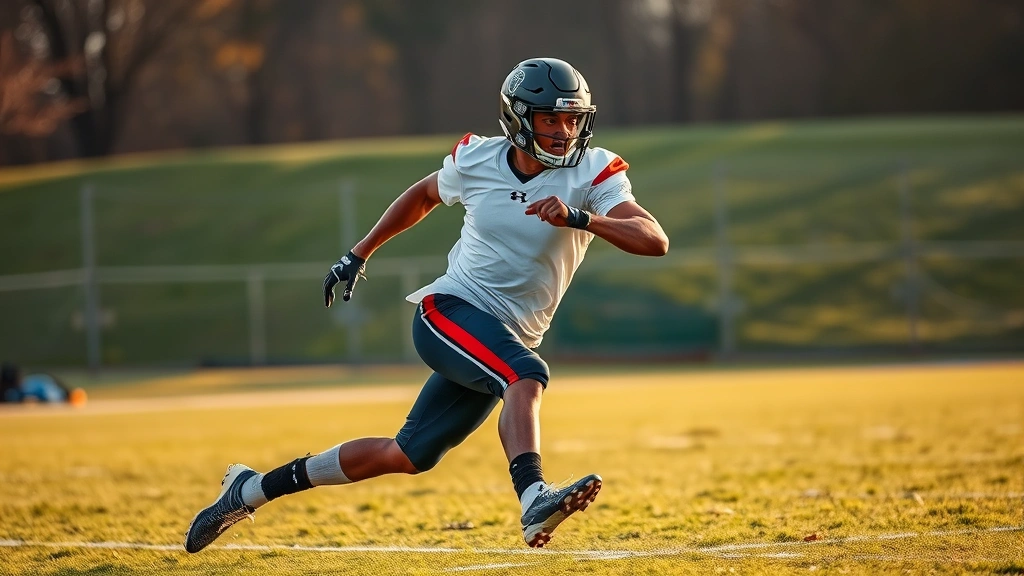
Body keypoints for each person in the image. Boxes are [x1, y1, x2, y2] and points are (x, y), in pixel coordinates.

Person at [184, 57, 669, 553]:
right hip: (450, 310)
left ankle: (249, 490)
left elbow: (654, 239)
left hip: (506, 335)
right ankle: (533, 499)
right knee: (525, 376)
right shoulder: (478, 159)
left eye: (572, 119)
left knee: (408, 454)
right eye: (550, 118)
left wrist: (583, 219)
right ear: (519, 119)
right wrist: (358, 253)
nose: (564, 131)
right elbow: (423, 195)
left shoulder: (592, 171)